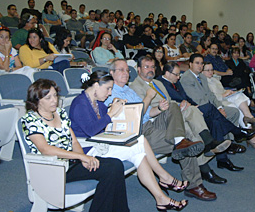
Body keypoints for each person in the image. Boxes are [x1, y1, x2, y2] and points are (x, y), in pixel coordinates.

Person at [69, 71, 188, 211]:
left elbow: (106, 124)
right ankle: (164, 179)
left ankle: (161, 197)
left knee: (139, 154)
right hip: (89, 149)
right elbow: (91, 130)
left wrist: (118, 109)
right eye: (107, 88)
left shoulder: (97, 102)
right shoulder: (80, 103)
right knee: (139, 142)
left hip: (101, 143)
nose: (109, 93)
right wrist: (111, 112)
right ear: (96, 85)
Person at [105, 59, 217, 201]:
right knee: (187, 143)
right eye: (121, 70)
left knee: (173, 106)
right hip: (137, 133)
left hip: (150, 124)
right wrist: (148, 96)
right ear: (111, 73)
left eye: (127, 70)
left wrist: (159, 108)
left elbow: (146, 113)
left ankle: (179, 140)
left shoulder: (127, 90)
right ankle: (194, 185)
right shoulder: (110, 93)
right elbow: (134, 118)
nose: (126, 73)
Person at [22, 79, 129, 212]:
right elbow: (45, 149)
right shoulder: (30, 120)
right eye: (48, 97)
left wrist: (82, 158)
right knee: (111, 170)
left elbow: (74, 141)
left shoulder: (60, 113)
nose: (54, 100)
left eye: (55, 95)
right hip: (52, 169)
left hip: (71, 164)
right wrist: (81, 157)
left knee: (115, 165)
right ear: (37, 100)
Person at [180, 54, 255, 170]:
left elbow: (211, 95)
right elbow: (198, 100)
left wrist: (220, 108)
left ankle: (222, 159)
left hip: (209, 108)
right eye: (197, 63)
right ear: (190, 64)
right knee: (213, 113)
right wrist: (214, 109)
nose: (200, 66)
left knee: (217, 122)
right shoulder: (186, 78)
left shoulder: (201, 77)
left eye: (201, 63)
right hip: (197, 110)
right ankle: (237, 132)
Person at [202, 62, 255, 150]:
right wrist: (223, 95)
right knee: (237, 108)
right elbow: (210, 98)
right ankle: (251, 135)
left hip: (225, 98)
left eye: (212, 70)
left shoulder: (215, 79)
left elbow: (222, 90)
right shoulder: (203, 82)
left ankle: (249, 117)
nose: (210, 72)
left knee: (239, 95)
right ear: (202, 71)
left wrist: (229, 92)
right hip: (218, 102)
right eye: (207, 70)